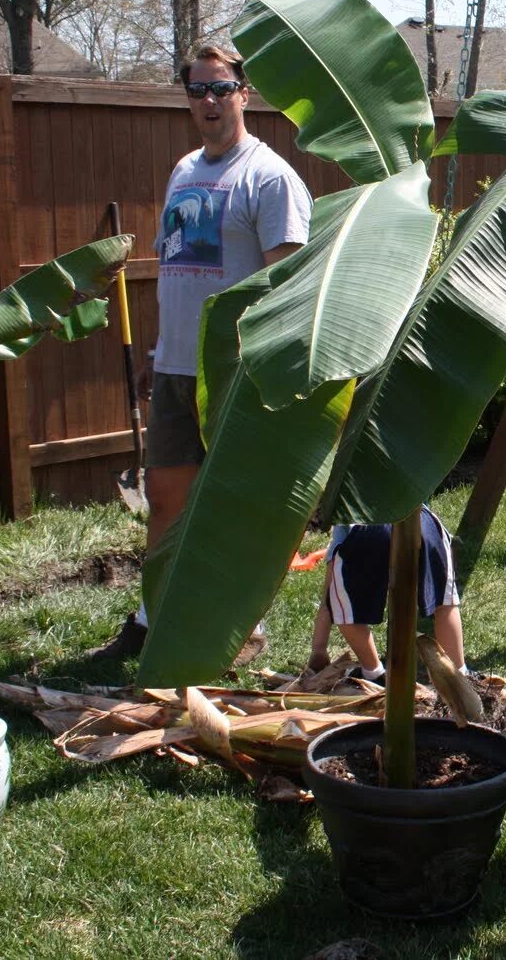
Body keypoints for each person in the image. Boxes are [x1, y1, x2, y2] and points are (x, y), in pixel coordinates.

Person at [90, 45, 312, 663]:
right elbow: (177, 268)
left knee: (233, 511)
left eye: (221, 89)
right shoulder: (184, 170)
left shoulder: (270, 178)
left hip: (233, 374)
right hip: (174, 367)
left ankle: (242, 631)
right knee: (164, 499)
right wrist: (159, 349)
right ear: (186, 97)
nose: (209, 102)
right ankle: (150, 621)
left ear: (245, 92)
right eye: (197, 90)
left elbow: (286, 286)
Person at [306, 507, 469, 684]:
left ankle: (374, 673)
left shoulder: (345, 514)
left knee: (344, 610)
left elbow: (328, 600)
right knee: (445, 604)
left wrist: (319, 649)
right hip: (423, 522)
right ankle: (460, 675)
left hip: (369, 527)